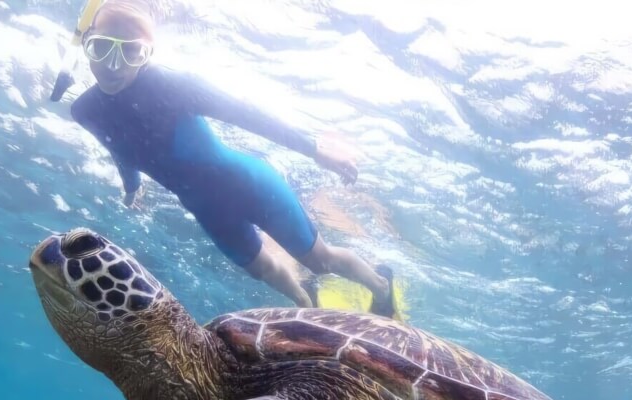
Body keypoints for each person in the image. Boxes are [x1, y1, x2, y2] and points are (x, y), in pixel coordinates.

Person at [68, 0, 399, 316]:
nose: (113, 65)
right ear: (86, 43)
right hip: (207, 209)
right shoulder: (84, 110)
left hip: (252, 185)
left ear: (147, 54)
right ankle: (311, 312)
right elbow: (118, 147)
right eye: (101, 48)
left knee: (319, 260)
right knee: (268, 271)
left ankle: (381, 288)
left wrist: (315, 150)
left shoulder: (171, 86)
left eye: (130, 51)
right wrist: (131, 187)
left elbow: (247, 115)